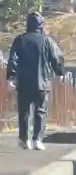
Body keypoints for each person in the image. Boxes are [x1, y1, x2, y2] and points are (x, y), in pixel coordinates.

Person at [6, 11, 65, 151]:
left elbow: (13, 60)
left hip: (24, 83)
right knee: (41, 111)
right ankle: (38, 139)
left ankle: (24, 139)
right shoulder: (47, 40)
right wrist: (60, 72)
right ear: (41, 25)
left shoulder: (20, 40)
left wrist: (11, 77)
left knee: (24, 112)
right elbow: (56, 58)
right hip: (43, 82)